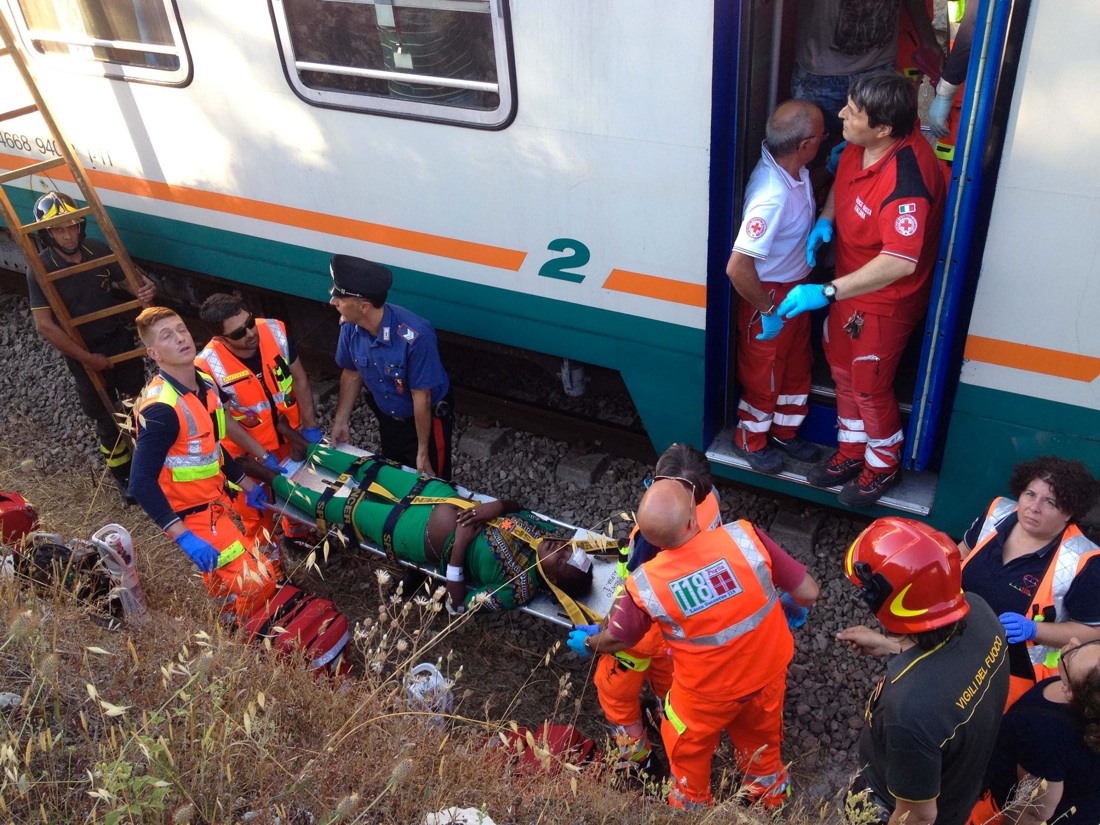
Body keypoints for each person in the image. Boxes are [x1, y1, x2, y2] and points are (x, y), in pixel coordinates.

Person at [572, 470, 820, 810]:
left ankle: (692, 809)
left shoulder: (647, 584)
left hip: (706, 694)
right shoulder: (744, 537)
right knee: (761, 741)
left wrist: (589, 644)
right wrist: (789, 604)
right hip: (766, 676)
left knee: (687, 750)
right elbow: (808, 592)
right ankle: (770, 800)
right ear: (693, 518)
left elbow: (619, 638)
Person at [778, 72, 946, 506]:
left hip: (884, 300)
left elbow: (899, 261)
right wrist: (826, 219)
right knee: (842, 371)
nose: (841, 115)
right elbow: (845, 181)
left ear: (884, 128)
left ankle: (883, 465)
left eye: (852, 112)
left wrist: (826, 292)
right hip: (848, 286)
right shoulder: (861, 142)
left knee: (870, 385)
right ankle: (852, 451)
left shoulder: (907, 180)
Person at [244, 432, 592, 613]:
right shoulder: (547, 534)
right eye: (567, 548)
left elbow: (458, 606)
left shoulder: (516, 590)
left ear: (554, 582)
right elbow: (519, 506)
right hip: (436, 494)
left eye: (561, 560)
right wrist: (495, 507)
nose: (559, 548)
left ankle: (271, 480)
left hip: (414, 533)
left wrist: (460, 547)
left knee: (340, 508)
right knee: (370, 469)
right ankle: (306, 448)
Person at [837, 517, 1009, 825]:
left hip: (890, 804)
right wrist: (890, 645)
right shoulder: (980, 613)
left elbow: (918, 816)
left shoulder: (909, 712)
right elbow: (951, 666)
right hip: (958, 788)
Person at [129, 307, 283, 621]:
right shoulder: (162, 409)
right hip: (191, 515)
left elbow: (211, 447)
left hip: (214, 503)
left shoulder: (206, 387)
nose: (180, 338)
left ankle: (228, 616)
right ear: (154, 354)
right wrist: (183, 535)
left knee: (223, 572)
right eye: (167, 336)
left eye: (181, 329)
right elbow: (140, 483)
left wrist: (247, 485)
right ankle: (246, 633)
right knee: (259, 580)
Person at [591, 444, 722, 770]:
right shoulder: (709, 501)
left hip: (641, 636)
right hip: (679, 629)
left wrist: (599, 636)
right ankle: (670, 728)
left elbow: (635, 596)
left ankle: (638, 761)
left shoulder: (656, 530)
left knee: (615, 694)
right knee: (670, 684)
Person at [25, 191, 157, 501]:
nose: (68, 235)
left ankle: (149, 466)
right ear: (47, 234)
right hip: (83, 352)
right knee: (106, 418)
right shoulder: (39, 269)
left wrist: (145, 288)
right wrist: (86, 358)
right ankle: (124, 477)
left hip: (117, 339)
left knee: (137, 404)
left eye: (72, 226)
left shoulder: (96, 249)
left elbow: (132, 281)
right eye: (59, 229)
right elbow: (44, 325)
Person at [726, 100, 824, 474]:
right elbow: (738, 268)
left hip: (794, 290)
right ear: (804, 145)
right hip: (769, 295)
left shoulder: (794, 169)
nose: (825, 140)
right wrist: (767, 310)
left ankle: (784, 432)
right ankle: (749, 439)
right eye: (822, 136)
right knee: (764, 374)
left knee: (796, 368)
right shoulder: (772, 196)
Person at [958, 456, 1100, 709]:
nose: (1034, 507)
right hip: (953, 646)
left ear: (1069, 513)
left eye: (1050, 502)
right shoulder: (996, 513)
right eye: (1030, 494)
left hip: (1012, 674)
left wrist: (1035, 630)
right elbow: (960, 554)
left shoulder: (1084, 561)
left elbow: (1093, 633)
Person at [195, 293, 321, 546]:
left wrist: (310, 426)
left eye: (250, 322)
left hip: (288, 436)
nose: (251, 333)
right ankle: (269, 566)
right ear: (221, 338)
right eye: (239, 333)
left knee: (295, 495)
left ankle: (298, 536)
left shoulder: (274, 330)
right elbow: (226, 421)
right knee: (257, 517)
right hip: (247, 455)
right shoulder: (208, 366)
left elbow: (299, 378)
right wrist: (262, 456)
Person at [328, 255, 454, 479]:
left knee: (432, 482)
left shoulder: (415, 337)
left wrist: (422, 451)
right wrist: (341, 420)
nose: (332, 302)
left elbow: (422, 398)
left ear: (364, 306)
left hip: (424, 422)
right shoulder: (350, 326)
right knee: (397, 476)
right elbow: (352, 373)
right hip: (388, 418)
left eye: (340, 298)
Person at [972, 637, 1100, 825]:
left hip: (1000, 806)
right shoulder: (1082, 700)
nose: (1073, 641)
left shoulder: (1047, 735)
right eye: (1090, 644)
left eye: (1073, 656)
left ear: (1070, 692)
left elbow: (1033, 812)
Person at [792, 0, 943, 141]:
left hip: (879, 66)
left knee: (882, 148)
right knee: (810, 147)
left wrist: (928, 41)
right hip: (820, 72)